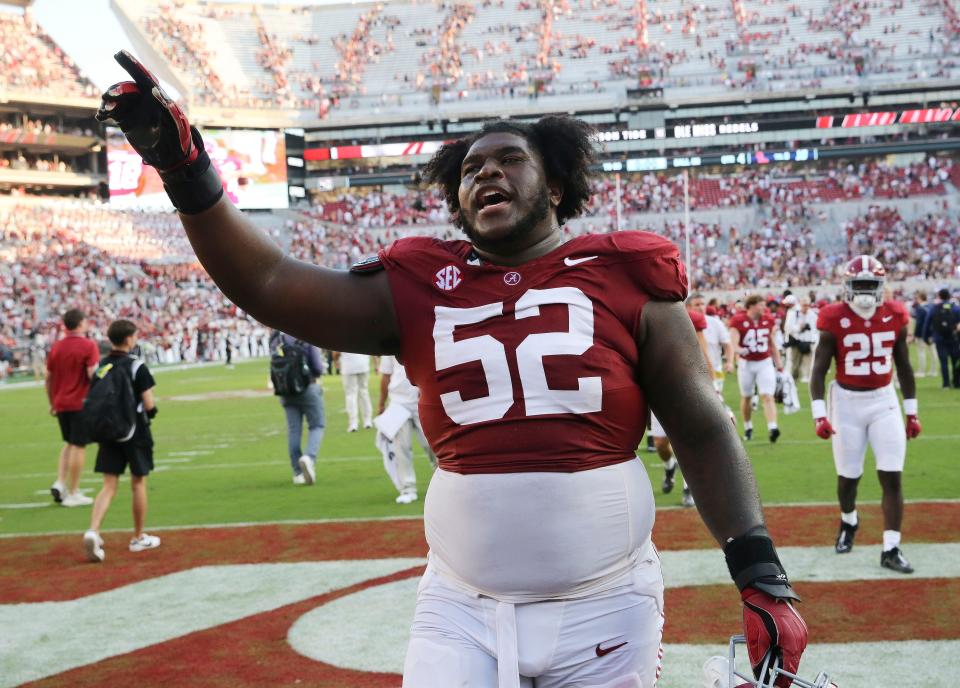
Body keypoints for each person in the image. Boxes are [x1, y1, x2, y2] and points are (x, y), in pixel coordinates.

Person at [98, 54, 807, 687]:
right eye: (470, 169)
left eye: (507, 160)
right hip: (460, 606)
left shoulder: (623, 275)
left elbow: (702, 427)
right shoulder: (419, 283)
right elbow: (272, 284)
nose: (486, 172)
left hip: (606, 606)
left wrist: (759, 572)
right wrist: (188, 173)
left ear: (556, 187)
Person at [809, 256, 920, 574]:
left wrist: (912, 412)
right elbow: (819, 371)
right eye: (860, 285)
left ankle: (891, 547)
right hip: (846, 403)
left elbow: (904, 366)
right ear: (848, 286)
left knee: (892, 475)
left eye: (871, 285)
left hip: (884, 400)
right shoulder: (832, 317)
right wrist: (820, 415)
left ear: (882, 286)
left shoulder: (896, 314)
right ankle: (849, 521)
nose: (865, 292)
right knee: (849, 477)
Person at [82, 320, 161, 563]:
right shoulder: (137, 366)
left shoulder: (102, 367)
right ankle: (138, 537)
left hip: (108, 431)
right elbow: (149, 404)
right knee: (138, 483)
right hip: (134, 431)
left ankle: (93, 530)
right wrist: (152, 412)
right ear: (128, 339)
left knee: (109, 485)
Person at [650, 302, 712, 508]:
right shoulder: (644, 313)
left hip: (687, 385)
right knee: (660, 443)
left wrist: (712, 386)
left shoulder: (692, 318)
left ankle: (689, 488)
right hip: (657, 386)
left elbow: (703, 353)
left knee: (687, 441)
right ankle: (669, 467)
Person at [45, 309, 100, 507]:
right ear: (80, 323)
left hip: (60, 402)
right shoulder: (88, 345)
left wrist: (52, 402)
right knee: (78, 445)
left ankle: (61, 482)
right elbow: (92, 374)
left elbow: (48, 378)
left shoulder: (56, 347)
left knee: (69, 443)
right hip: (80, 401)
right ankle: (74, 492)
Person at [376, 355, 437, 504]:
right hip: (398, 402)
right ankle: (407, 489)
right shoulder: (388, 347)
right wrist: (381, 403)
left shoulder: (421, 339)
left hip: (422, 399)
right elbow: (386, 375)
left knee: (433, 445)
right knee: (400, 447)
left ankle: (444, 482)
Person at [271, 330, 326, 485]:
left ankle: (297, 473)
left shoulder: (276, 338)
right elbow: (317, 367)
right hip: (308, 386)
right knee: (317, 425)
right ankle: (309, 457)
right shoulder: (305, 336)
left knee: (294, 430)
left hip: (286, 390)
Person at [729, 295, 784, 443]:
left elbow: (771, 343)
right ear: (751, 306)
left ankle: (773, 427)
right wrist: (740, 350)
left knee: (767, 395)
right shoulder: (738, 320)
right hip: (746, 364)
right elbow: (733, 342)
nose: (763, 308)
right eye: (760, 305)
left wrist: (779, 364)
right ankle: (748, 426)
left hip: (764, 362)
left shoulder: (768, 320)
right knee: (747, 396)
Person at [690, 293, 734, 393]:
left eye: (702, 304)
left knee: (716, 400)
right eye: (697, 305)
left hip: (715, 368)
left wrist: (730, 362)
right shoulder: (684, 324)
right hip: (692, 371)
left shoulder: (716, 322)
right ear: (689, 307)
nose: (701, 307)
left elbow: (727, 344)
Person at [922, 288, 960, 388]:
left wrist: (925, 337)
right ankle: (956, 383)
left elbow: (927, 323)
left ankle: (946, 384)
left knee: (943, 362)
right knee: (955, 361)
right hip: (954, 338)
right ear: (949, 296)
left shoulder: (935, 308)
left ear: (939, 296)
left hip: (940, 338)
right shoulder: (956, 308)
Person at [335, 351, 373, 431]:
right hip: (363, 364)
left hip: (348, 366)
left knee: (350, 395)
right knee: (364, 392)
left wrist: (336, 360)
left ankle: (353, 423)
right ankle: (367, 420)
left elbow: (336, 352)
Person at [783, 296, 818, 383]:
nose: (805, 307)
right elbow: (787, 328)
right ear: (800, 304)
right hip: (796, 341)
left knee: (808, 361)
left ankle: (806, 377)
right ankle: (793, 378)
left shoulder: (812, 314)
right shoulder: (793, 313)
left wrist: (812, 340)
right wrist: (799, 327)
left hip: (808, 341)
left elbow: (815, 329)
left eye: (807, 305)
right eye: (803, 305)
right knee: (794, 362)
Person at [910, 291, 936, 377]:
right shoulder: (931, 306)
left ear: (920, 298)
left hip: (922, 334)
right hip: (932, 333)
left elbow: (919, 323)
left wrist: (915, 335)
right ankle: (933, 371)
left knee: (921, 352)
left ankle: (921, 371)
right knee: (933, 352)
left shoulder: (920, 308)